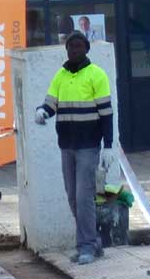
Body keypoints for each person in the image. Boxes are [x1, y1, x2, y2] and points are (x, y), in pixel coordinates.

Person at [36, 32, 113, 264]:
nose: (74, 51)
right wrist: (42, 112)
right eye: (71, 47)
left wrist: (108, 146)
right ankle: (94, 242)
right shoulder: (60, 75)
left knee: (83, 197)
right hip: (66, 146)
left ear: (87, 49)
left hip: (88, 146)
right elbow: (51, 104)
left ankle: (86, 246)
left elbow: (107, 114)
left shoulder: (97, 75)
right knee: (72, 197)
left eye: (79, 47)